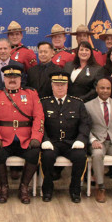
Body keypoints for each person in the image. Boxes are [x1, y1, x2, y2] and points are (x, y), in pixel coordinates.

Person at [0, 65, 44, 204]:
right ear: (4, 78)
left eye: (15, 77)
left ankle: (23, 187)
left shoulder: (31, 94)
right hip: (4, 139)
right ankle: (4, 187)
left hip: (26, 139)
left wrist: (36, 137)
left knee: (34, 153)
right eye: (9, 77)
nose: (12, 79)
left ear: (20, 79)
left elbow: (39, 117)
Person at [40, 72, 90, 203]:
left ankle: (75, 189)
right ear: (52, 86)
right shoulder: (44, 103)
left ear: (67, 86)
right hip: (52, 142)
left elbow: (85, 124)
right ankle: (47, 188)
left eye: (63, 85)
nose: (60, 88)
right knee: (47, 157)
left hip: (71, 142)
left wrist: (81, 139)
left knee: (80, 157)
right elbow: (39, 124)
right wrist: (44, 140)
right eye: (57, 85)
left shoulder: (77, 103)